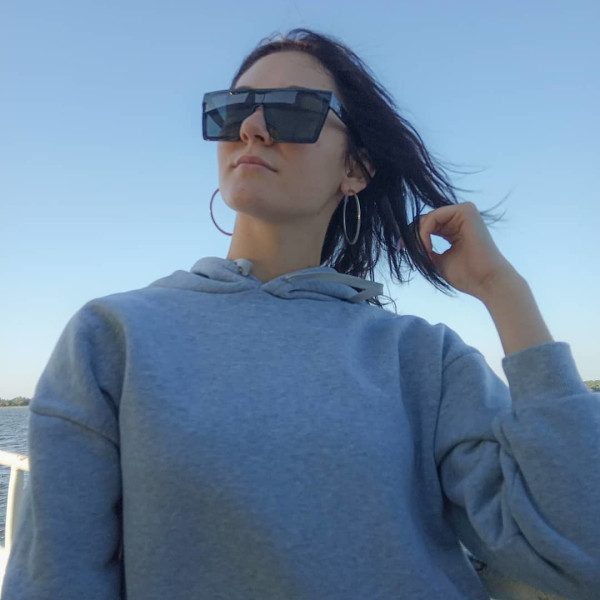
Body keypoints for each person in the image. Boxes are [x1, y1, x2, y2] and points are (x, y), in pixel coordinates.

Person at [2, 28, 598, 600]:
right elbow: (56, 581)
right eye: (232, 111)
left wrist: (503, 290)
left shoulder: (423, 359)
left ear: (355, 168)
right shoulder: (112, 338)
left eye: (292, 110)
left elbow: (580, 551)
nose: (252, 128)